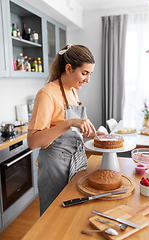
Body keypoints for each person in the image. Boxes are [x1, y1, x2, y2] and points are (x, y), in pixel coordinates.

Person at [27, 44, 104, 216]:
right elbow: (32, 142)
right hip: (55, 168)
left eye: (90, 74)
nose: (88, 79)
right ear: (69, 68)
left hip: (74, 163)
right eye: (84, 73)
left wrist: (97, 135)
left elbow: (76, 132)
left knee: (69, 217)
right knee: (53, 218)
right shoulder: (46, 94)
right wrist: (68, 123)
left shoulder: (72, 92)